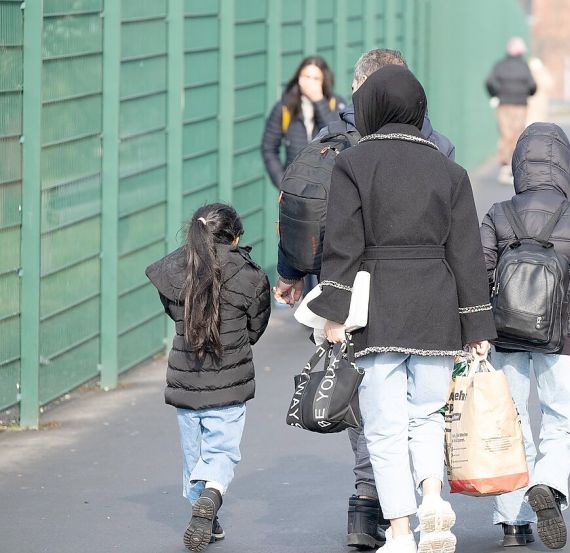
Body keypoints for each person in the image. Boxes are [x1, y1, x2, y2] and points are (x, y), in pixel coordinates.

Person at [270, 48, 458, 551]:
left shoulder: (331, 142)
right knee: (420, 411)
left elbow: (305, 208)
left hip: (345, 288)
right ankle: (417, 500)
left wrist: (292, 276)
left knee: (371, 405)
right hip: (423, 293)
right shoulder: (435, 146)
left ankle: (365, 506)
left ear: (357, 90)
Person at [309, 64, 497, 553]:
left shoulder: (354, 165)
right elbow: (466, 253)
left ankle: (399, 532)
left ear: (370, 108)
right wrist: (476, 322)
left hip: (379, 308)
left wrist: (333, 309)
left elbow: (343, 245)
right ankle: (433, 498)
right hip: (437, 304)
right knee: (428, 415)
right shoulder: (449, 170)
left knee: (385, 427)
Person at [480, 122, 570, 550]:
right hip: (556, 335)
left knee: (512, 423)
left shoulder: (498, 212)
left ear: (518, 164)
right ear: (565, 166)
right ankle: (548, 484)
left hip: (505, 335)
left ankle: (513, 522)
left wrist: (486, 319)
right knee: (559, 420)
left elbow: (477, 269)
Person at [145, 203, 271, 552]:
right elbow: (256, 326)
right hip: (229, 383)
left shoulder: (177, 269)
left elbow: (174, 310)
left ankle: (206, 517)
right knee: (222, 451)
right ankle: (212, 499)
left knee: (193, 454)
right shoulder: (250, 274)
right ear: (236, 237)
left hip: (186, 382)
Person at [261, 55, 347, 188]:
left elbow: (338, 135)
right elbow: (269, 149)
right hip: (294, 187)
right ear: (298, 78)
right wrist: (282, 182)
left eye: (316, 78)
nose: (310, 82)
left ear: (324, 81)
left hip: (327, 186)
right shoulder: (284, 107)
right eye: (306, 76)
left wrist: (318, 100)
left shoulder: (336, 104)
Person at [486, 37, 537, 185]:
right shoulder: (524, 66)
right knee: (516, 134)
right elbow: (533, 86)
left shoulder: (500, 65)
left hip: (503, 104)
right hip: (520, 104)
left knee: (505, 134)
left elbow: (489, 82)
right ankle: (512, 166)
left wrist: (495, 94)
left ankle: (504, 165)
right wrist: (528, 93)